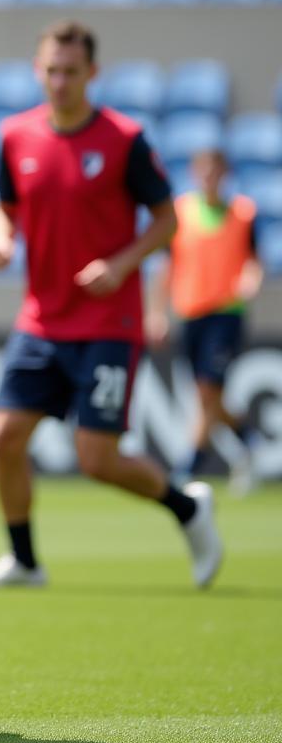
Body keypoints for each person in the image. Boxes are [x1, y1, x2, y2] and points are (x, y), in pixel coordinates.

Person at [0, 20, 223, 594]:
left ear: (92, 75)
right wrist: (1, 236)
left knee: (97, 458)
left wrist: (122, 264)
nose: (59, 82)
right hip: (41, 320)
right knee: (4, 437)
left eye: (70, 72)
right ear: (38, 71)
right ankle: (25, 560)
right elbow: (3, 206)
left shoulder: (124, 140)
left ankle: (187, 507)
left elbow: (168, 221)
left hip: (107, 321)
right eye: (50, 71)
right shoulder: (15, 136)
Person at [146, 147, 262, 493]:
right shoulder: (181, 213)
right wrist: (156, 312)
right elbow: (166, 267)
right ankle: (248, 440)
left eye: (216, 172)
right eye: (204, 172)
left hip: (226, 312)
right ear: (197, 174)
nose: (210, 178)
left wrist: (250, 279)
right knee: (205, 395)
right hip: (190, 311)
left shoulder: (243, 213)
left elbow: (253, 260)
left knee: (209, 388)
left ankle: (191, 465)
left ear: (224, 175)